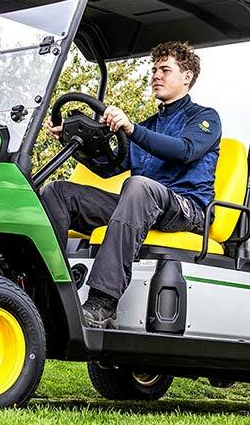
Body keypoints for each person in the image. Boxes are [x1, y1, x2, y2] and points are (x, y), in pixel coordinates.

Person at [40, 41, 221, 329]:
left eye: (165, 70)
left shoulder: (205, 118)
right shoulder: (149, 124)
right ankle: (51, 289)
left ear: (187, 76)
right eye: (154, 70)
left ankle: (102, 302)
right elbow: (108, 167)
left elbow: (184, 151)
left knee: (138, 186)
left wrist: (133, 130)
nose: (156, 75)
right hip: (140, 205)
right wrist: (73, 141)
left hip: (187, 208)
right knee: (58, 192)